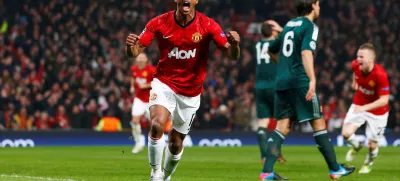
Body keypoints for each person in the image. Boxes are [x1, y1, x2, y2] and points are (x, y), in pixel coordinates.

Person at [125, 0, 240, 180]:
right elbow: (135, 51)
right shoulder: (158, 22)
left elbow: (231, 56)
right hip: (164, 83)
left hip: (191, 92)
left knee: (175, 142)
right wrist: (129, 47)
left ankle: (166, 174)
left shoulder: (208, 24)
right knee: (156, 125)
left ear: (196, 1)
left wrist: (234, 45)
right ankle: (155, 173)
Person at [261, 0, 355, 180]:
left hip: (282, 82)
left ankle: (266, 172)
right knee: (318, 124)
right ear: (313, 6)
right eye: (318, 4)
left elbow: (271, 49)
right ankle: (335, 169)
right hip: (299, 81)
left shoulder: (289, 25)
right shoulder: (310, 26)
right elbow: (306, 52)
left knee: (282, 127)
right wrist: (312, 79)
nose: (319, 8)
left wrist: (282, 66)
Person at [341, 43, 390, 174]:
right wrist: (354, 82)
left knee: (372, 144)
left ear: (370, 59)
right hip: (359, 103)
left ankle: (368, 163)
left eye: (361, 57)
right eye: (357, 56)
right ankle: (356, 145)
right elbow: (354, 71)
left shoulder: (380, 75)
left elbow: (384, 100)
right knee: (346, 134)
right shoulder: (355, 65)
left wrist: (364, 108)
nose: (358, 59)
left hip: (378, 112)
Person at [254, 22, 286, 164]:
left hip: (259, 87)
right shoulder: (276, 42)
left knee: (262, 123)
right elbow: (289, 36)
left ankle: (263, 156)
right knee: (280, 121)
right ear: (273, 32)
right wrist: (279, 29)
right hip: (274, 86)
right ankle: (276, 153)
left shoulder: (257, 45)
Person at [130, 53, 156, 154]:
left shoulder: (151, 70)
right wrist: (132, 86)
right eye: (139, 58)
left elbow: (157, 82)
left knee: (155, 124)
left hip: (151, 100)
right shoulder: (134, 69)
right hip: (139, 99)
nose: (140, 60)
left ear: (146, 60)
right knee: (135, 120)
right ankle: (138, 143)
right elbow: (133, 77)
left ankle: (155, 143)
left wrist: (145, 85)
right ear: (136, 60)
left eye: (142, 58)